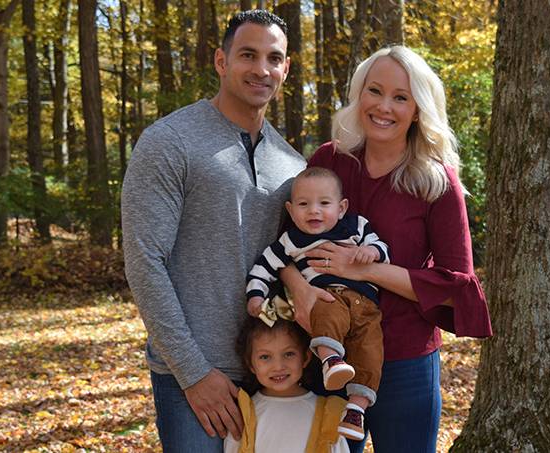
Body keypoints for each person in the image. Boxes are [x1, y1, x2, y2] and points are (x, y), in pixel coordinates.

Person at [281, 45, 493, 452]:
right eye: (374, 91)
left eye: (400, 97)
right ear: (359, 94)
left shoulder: (436, 182)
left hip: (406, 359)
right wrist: (299, 287)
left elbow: (455, 285)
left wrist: (364, 269)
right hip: (331, 355)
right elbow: (282, 245)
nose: (384, 106)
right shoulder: (330, 161)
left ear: (418, 109)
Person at [121, 10, 306, 452]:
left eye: (273, 58)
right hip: (196, 377)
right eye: (248, 54)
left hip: (278, 371)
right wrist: (193, 372)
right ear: (221, 62)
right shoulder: (170, 141)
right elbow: (145, 260)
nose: (261, 69)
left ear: (286, 69)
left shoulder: (293, 165)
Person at [245, 167, 389, 440]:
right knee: (327, 314)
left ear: (342, 206)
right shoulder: (290, 241)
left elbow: (381, 247)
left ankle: (356, 409)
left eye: (324, 203)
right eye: (303, 204)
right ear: (290, 209)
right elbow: (263, 267)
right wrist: (255, 296)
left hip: (366, 307)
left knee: (370, 351)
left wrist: (370, 251)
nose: (314, 211)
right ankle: (330, 359)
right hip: (326, 296)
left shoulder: (356, 226)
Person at [224, 317, 350, 453]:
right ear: (251, 365)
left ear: (305, 357)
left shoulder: (328, 414)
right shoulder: (243, 414)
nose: (278, 366)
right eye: (265, 357)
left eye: (289, 354)